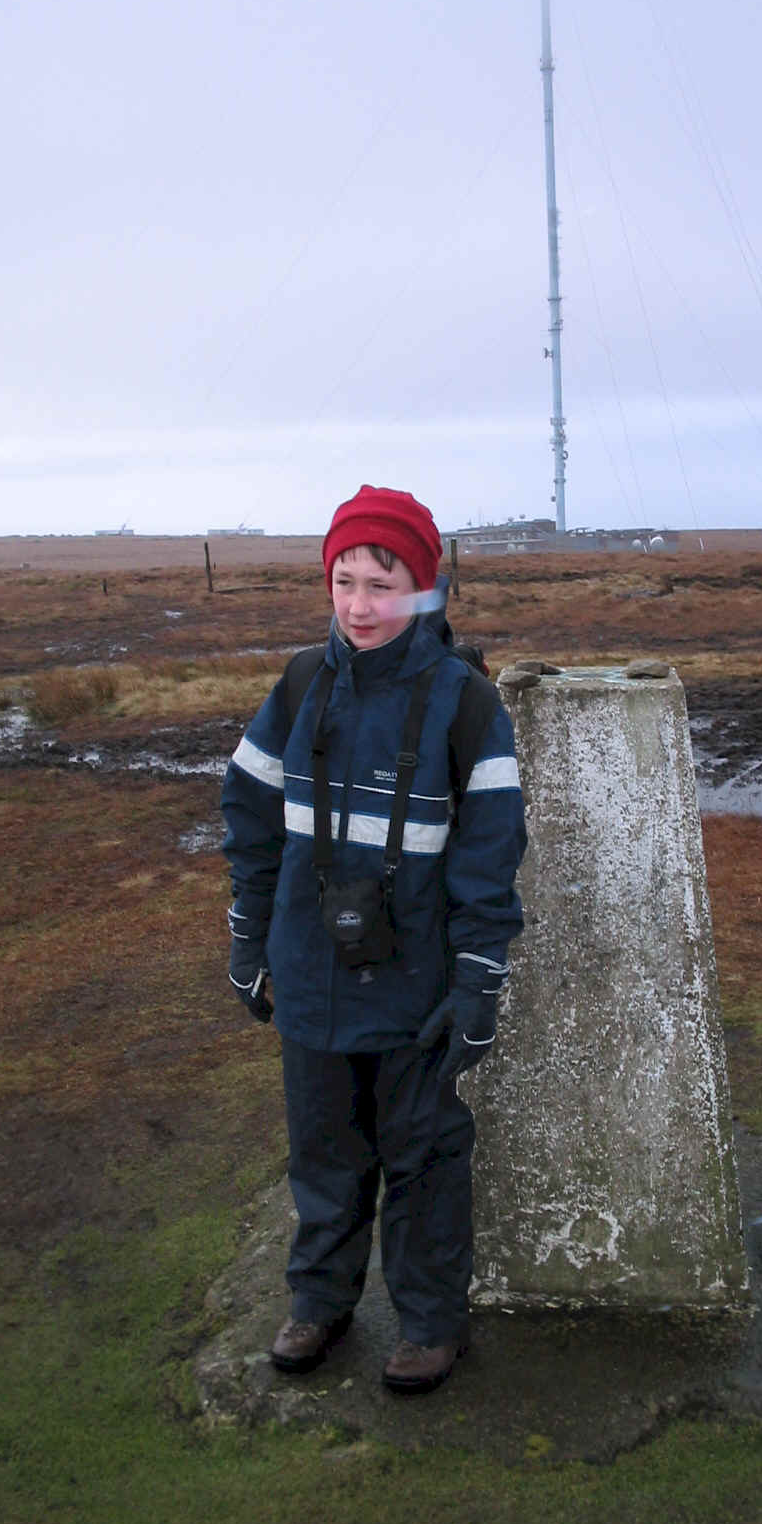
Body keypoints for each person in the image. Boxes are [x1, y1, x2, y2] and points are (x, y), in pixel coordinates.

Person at [220, 485, 525, 1394]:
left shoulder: (467, 708)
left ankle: (431, 1324)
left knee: (423, 1161)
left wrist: (477, 983)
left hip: (416, 995)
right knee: (323, 1153)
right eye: (344, 581)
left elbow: (489, 858)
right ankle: (319, 1305)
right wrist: (249, 937)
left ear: (425, 589)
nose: (360, 605)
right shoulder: (300, 687)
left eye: (382, 583)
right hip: (311, 979)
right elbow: (251, 816)